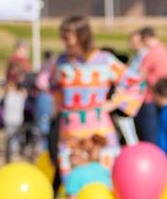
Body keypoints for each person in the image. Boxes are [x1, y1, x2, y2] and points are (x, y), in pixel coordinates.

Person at [54, 16, 141, 171]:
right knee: (74, 184)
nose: (65, 43)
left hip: (100, 135)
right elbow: (51, 87)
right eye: (63, 38)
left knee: (103, 181)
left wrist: (113, 103)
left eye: (68, 38)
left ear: (82, 37)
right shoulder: (61, 62)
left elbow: (135, 82)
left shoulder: (104, 61)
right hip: (70, 136)